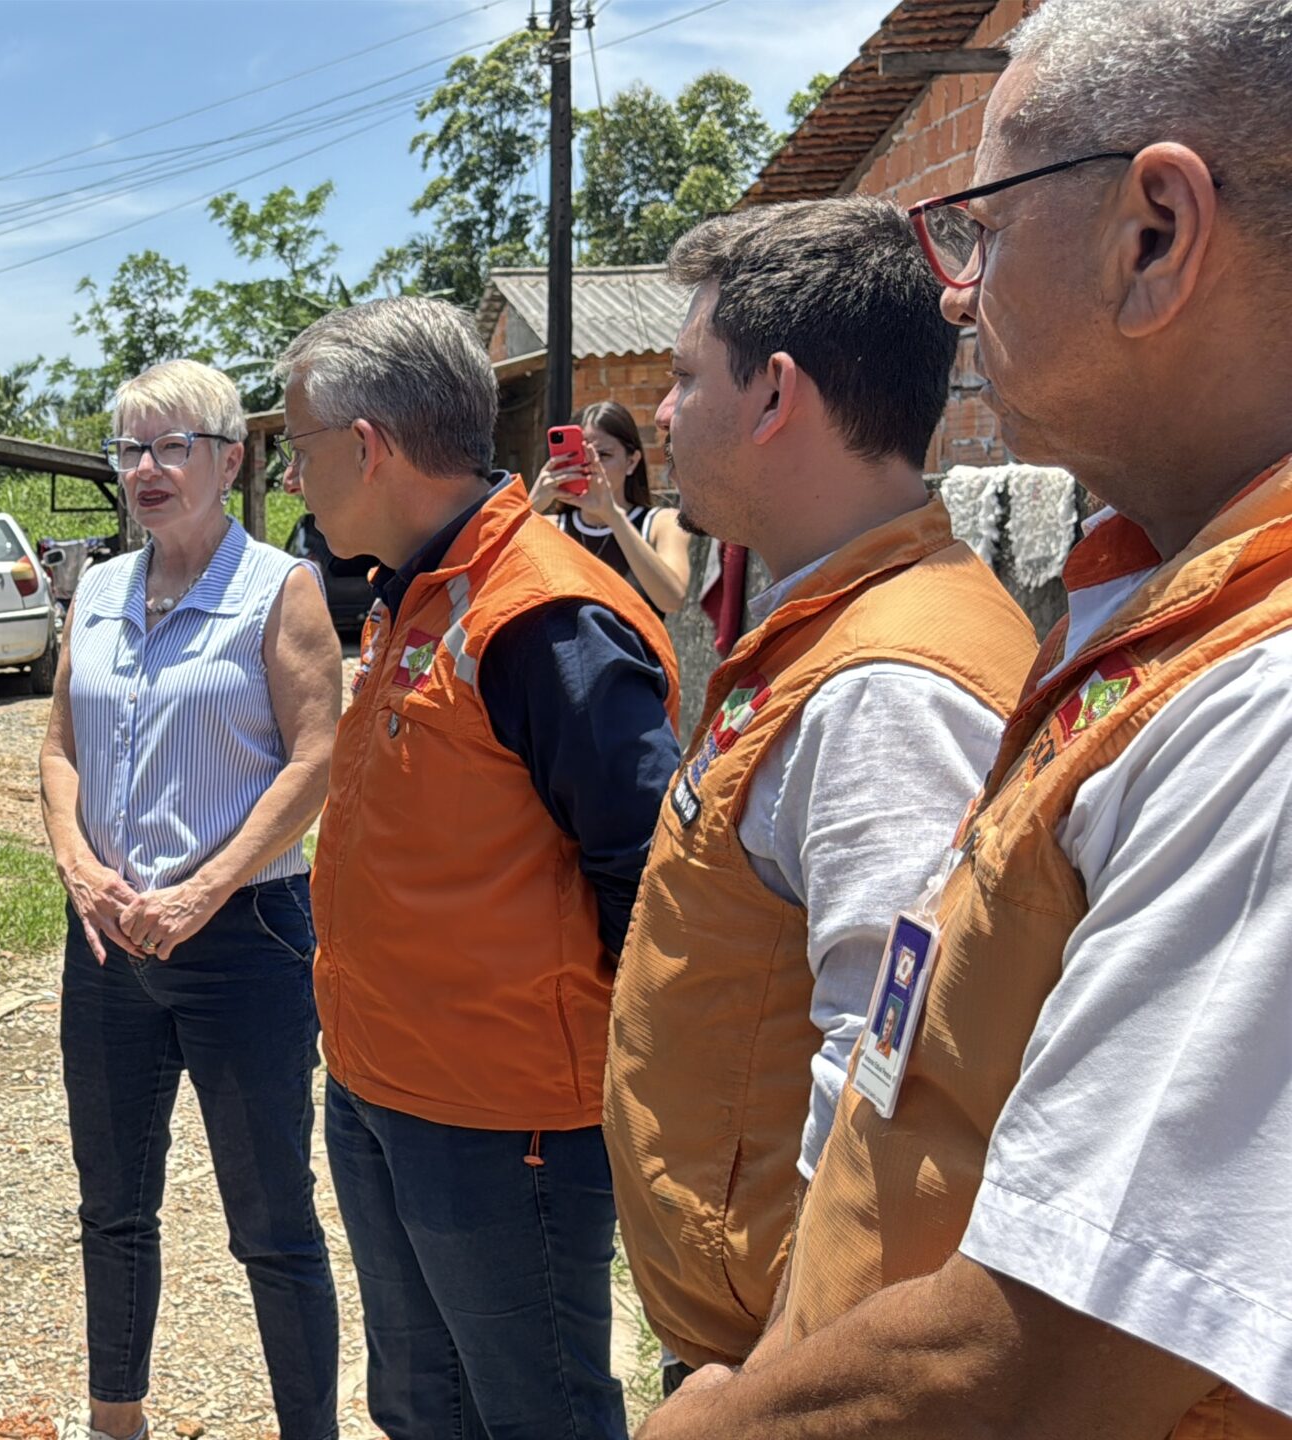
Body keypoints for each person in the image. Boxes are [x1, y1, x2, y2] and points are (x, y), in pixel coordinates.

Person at [642, 1, 1292, 1434]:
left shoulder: (1267, 699)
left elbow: (1055, 1344)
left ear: (1155, 236)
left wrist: (727, 1418)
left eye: (982, 226)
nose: (952, 291)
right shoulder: (1154, 611)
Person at [601, 197, 1038, 1389]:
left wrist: (774, 1385)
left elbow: (890, 1091)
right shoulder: (841, 628)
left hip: (771, 1365)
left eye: (687, 377)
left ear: (774, 395)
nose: (663, 412)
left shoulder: (886, 688)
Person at [276, 297, 681, 1440]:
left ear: (367, 447)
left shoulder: (541, 619)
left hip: (504, 1123)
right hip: (382, 1084)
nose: (294, 480)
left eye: (300, 451)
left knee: (534, 1410)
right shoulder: (418, 592)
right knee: (421, 1401)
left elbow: (646, 873)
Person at [39, 359, 346, 1440]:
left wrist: (203, 891)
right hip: (109, 944)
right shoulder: (102, 589)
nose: (148, 470)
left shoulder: (280, 589)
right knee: (111, 1208)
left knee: (270, 1219)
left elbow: (315, 760)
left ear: (231, 458)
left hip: (244, 941)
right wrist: (78, 864)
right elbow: (59, 747)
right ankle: (114, 1423)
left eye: (173, 446)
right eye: (130, 448)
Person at [533, 399, 694, 614]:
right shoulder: (548, 528)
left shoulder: (660, 523)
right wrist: (530, 506)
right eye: (579, 455)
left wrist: (614, 517)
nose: (591, 465)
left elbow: (672, 600)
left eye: (603, 455)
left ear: (631, 462)